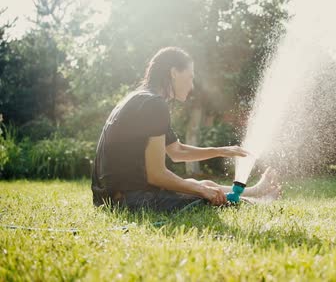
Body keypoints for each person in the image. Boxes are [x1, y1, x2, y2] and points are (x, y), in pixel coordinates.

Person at [91, 47, 279, 211]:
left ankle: (254, 192)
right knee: (204, 193)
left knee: (205, 185)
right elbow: (156, 175)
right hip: (129, 200)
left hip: (110, 197)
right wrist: (201, 191)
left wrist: (221, 151)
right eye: (190, 76)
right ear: (173, 72)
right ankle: (259, 200)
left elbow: (177, 151)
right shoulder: (154, 105)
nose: (192, 85)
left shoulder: (144, 99)